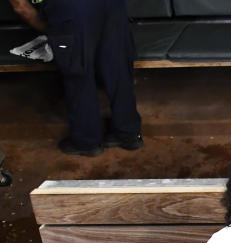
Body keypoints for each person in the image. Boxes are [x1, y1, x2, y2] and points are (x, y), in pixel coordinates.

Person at [7, 0, 143, 156]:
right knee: (118, 68)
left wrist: (53, 30)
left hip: (71, 9)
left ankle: (87, 142)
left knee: (79, 75)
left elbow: (21, 7)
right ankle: (129, 134)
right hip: (111, 5)